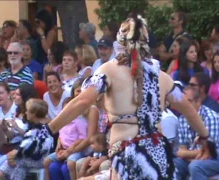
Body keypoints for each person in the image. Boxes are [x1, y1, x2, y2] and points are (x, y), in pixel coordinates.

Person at [44, 13, 210, 179]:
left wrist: (49, 129)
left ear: (119, 43)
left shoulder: (109, 70)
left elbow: (83, 100)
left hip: (127, 155)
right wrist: (204, 138)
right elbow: (189, 111)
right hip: (157, 157)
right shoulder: (162, 77)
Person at [174, 87, 219, 179]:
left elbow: (209, 153)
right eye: (183, 102)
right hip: (198, 157)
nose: (185, 105)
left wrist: (187, 154)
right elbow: (180, 151)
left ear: (198, 102)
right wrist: (192, 155)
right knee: (174, 164)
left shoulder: (210, 117)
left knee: (195, 167)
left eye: (189, 101)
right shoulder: (182, 118)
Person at [0, 98, 51, 180]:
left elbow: (30, 147)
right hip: (31, 156)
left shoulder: (43, 127)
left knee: (18, 161)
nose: (25, 112)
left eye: (28, 110)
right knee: (17, 162)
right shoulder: (34, 125)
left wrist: (15, 154)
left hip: (41, 158)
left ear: (34, 113)